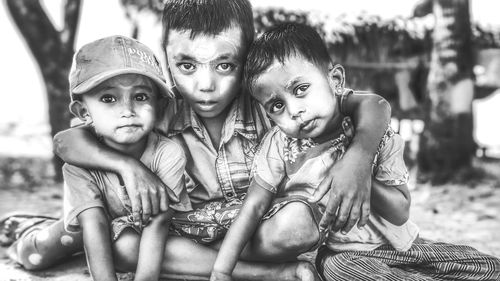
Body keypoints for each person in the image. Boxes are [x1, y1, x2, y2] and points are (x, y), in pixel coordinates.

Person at [3, 0, 391, 279]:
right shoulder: (157, 106)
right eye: (186, 65)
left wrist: (359, 156)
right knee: (104, 245)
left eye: (225, 65)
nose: (205, 85)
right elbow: (67, 142)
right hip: (180, 228)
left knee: (299, 228)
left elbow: (372, 105)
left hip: (253, 227)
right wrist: (125, 166)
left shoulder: (272, 100)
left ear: (246, 57)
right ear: (167, 61)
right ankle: (43, 231)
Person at [211, 22, 500, 281]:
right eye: (277, 106)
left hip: (404, 246)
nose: (295, 110)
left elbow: (400, 212)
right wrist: (222, 270)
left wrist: (357, 173)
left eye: (300, 89)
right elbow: (253, 208)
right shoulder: (279, 146)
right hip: (343, 255)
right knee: (346, 271)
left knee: (487, 266)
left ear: (335, 80)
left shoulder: (377, 135)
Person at [65, 36, 192, 281]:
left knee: (130, 245)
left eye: (141, 96)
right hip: (86, 231)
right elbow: (94, 224)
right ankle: (26, 229)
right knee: (40, 251)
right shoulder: (77, 167)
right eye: (108, 98)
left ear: (160, 106)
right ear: (83, 112)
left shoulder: (168, 153)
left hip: (134, 234)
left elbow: (158, 222)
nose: (127, 110)